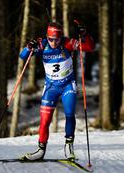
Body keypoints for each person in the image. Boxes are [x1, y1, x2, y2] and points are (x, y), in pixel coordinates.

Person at [19, 21, 95, 161]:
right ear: (47, 37)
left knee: (69, 114)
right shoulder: (42, 45)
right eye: (51, 39)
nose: (54, 42)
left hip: (67, 85)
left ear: (61, 37)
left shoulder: (68, 43)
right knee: (45, 121)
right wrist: (29, 47)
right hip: (51, 87)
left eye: (57, 39)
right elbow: (23, 56)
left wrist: (84, 34)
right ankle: (41, 150)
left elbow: (90, 47)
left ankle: (68, 146)